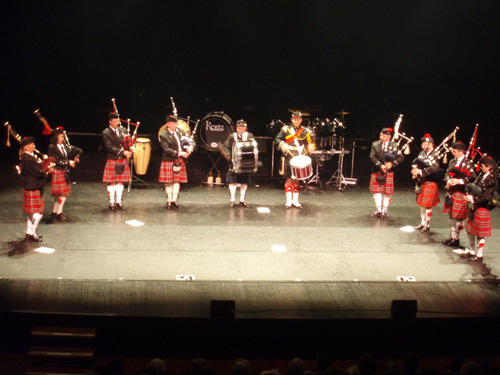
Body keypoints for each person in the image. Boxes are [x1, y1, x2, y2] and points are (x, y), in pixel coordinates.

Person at [274, 111, 315, 208]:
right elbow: (277, 139)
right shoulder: (285, 129)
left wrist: (311, 146)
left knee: (296, 180)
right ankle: (288, 201)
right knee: (288, 179)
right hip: (289, 154)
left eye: (298, 119)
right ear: (292, 120)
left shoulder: (305, 131)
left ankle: (295, 201)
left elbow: (311, 141)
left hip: (299, 155)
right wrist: (282, 144)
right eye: (294, 119)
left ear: (301, 120)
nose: (296, 121)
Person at [463, 156, 497, 261]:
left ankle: (479, 255)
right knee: (469, 230)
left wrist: (472, 199)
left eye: (482, 166)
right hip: (476, 207)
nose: (480, 168)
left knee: (480, 235)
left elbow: (486, 196)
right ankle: (472, 250)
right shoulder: (482, 176)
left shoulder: (493, 180)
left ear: (489, 167)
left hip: (483, 208)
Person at [442, 141, 476, 247]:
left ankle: (457, 238)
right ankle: (452, 236)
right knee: (451, 216)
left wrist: (459, 181)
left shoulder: (468, 163)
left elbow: (473, 177)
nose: (453, 153)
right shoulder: (452, 161)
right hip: (452, 192)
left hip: (461, 192)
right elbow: (447, 172)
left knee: (459, 218)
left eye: (455, 151)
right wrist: (448, 180)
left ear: (461, 152)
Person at [20, 137, 52, 242]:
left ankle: (29, 233)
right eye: (32, 145)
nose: (34, 146)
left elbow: (37, 169)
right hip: (32, 186)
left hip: (32, 186)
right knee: (39, 211)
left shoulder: (29, 157)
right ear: (27, 147)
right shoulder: (27, 159)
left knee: (31, 212)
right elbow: (37, 173)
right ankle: (33, 232)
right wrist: (46, 170)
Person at [369, 127, 404, 218]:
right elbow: (372, 157)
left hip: (389, 172)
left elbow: (400, 158)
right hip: (377, 170)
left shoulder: (394, 145)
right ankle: (379, 210)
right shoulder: (375, 144)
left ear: (389, 137)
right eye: (381, 135)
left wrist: (391, 164)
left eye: (384, 136)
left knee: (387, 193)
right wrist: (381, 166)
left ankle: (384, 211)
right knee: (376, 192)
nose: (381, 137)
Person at [159, 115, 193, 209]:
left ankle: (175, 200)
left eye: (176, 123)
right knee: (169, 182)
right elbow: (166, 149)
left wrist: (189, 148)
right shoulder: (163, 135)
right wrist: (180, 153)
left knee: (177, 181)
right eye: (173, 124)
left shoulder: (180, 132)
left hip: (179, 161)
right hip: (169, 160)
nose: (175, 125)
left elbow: (188, 142)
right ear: (168, 124)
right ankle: (169, 201)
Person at [102, 112, 132, 211]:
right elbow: (109, 147)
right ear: (110, 122)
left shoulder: (123, 130)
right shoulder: (106, 133)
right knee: (111, 182)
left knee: (120, 182)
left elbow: (128, 142)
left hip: (122, 159)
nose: (117, 123)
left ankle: (119, 202)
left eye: (118, 121)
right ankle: (111, 203)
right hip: (113, 159)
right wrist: (124, 152)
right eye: (115, 121)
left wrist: (131, 148)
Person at [47, 128, 78, 222]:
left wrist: (75, 157)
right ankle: (59, 213)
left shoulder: (63, 145)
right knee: (62, 194)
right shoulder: (52, 147)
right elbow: (54, 161)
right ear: (56, 137)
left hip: (64, 172)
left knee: (59, 194)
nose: (63, 138)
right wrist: (68, 162)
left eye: (63, 136)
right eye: (61, 137)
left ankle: (54, 211)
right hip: (58, 171)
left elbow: (68, 155)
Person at [411, 134, 441, 232]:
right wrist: (414, 170)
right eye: (422, 143)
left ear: (431, 144)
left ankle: (427, 224)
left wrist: (421, 172)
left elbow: (435, 168)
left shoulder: (435, 154)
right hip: (421, 181)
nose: (423, 145)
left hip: (430, 181)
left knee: (428, 205)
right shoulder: (421, 154)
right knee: (422, 204)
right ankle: (422, 222)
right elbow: (416, 164)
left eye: (425, 143)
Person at [223, 119, 254, 208]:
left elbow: (253, 146)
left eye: (241, 127)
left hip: (246, 161)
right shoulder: (232, 136)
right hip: (234, 162)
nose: (239, 129)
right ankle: (232, 200)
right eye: (237, 127)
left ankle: (242, 200)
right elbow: (227, 147)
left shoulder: (250, 136)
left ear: (245, 128)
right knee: (232, 182)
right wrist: (229, 156)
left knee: (244, 182)